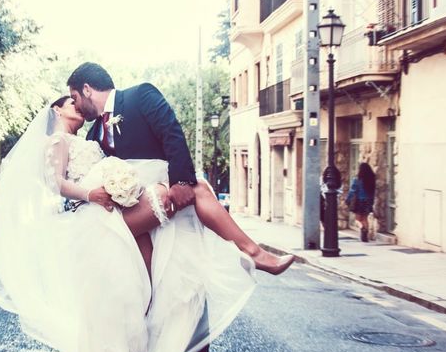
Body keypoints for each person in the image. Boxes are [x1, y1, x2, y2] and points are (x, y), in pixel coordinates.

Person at [0, 95, 262, 352]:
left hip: (111, 213)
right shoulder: (56, 140)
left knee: (128, 291)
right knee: (135, 270)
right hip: (96, 216)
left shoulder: (88, 135)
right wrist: (92, 193)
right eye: (71, 102)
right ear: (57, 110)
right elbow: (55, 184)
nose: (77, 107)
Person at [65, 62, 294, 278]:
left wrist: (181, 182)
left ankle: (251, 253)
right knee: (148, 268)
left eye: (74, 97)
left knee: (180, 269)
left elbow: (171, 133)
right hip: (132, 205)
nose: (76, 106)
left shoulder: (140, 95)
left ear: (87, 89)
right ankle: (250, 253)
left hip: (164, 188)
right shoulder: (93, 134)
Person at [346, 162, 376, 242]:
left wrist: (348, 199)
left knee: (358, 219)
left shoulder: (357, 179)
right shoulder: (372, 180)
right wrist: (371, 202)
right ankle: (365, 236)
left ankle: (362, 228)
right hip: (368, 201)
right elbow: (372, 193)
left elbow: (352, 191)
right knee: (365, 218)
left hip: (359, 201)